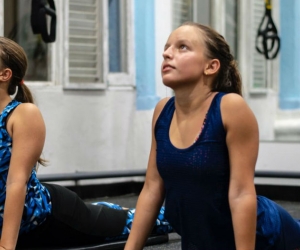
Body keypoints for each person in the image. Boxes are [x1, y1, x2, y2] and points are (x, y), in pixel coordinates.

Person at [124, 22, 300, 250]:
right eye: (167, 47)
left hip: (261, 236)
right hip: (201, 240)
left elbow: (241, 193)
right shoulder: (163, 110)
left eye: (182, 47)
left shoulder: (230, 107)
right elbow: (152, 188)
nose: (166, 53)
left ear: (211, 66)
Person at [0, 37, 173, 250]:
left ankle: (193, 212)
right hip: (15, 219)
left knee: (140, 222)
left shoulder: (21, 114)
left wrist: (6, 247)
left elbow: (16, 183)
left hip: (50, 216)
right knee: (107, 209)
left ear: (5, 75)